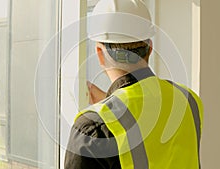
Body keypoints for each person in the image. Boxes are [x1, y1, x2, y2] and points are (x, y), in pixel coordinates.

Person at [64, 0, 203, 168]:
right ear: (150, 48)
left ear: (100, 53)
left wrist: (107, 112)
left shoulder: (90, 130)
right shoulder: (188, 101)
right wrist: (111, 105)